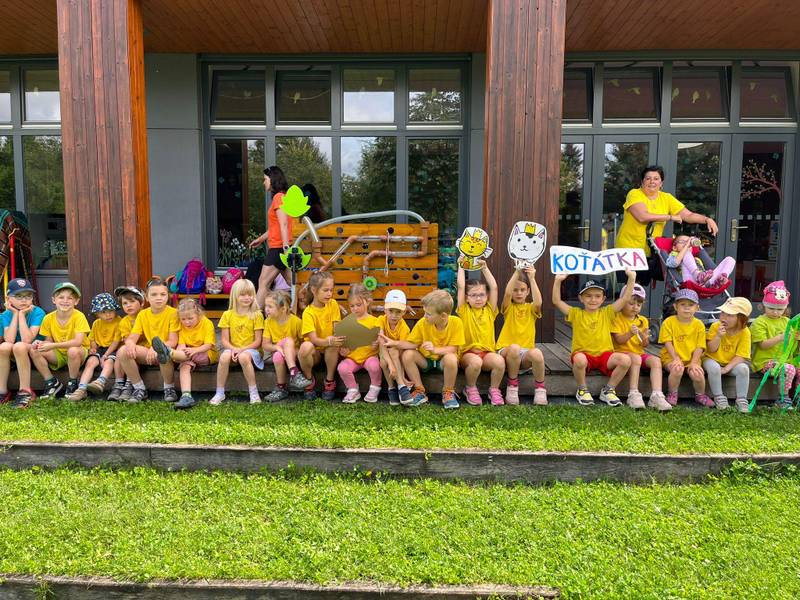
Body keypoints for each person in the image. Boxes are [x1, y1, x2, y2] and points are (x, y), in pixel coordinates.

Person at [615, 165, 719, 283]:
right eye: (648, 178)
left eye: (656, 178)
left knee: (641, 288)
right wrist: (670, 217)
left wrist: (706, 219)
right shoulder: (634, 194)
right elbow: (642, 217)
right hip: (629, 248)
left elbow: (688, 215)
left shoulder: (666, 198)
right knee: (629, 286)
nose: (652, 181)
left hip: (650, 249)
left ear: (661, 183)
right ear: (642, 182)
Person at [553, 271, 635, 406]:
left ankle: (609, 390)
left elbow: (625, 299)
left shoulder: (607, 312)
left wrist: (631, 277)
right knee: (579, 360)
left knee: (625, 360)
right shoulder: (576, 313)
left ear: (603, 299)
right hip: (584, 355)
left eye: (597, 296)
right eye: (588, 296)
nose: (593, 300)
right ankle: (582, 390)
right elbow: (556, 301)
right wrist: (558, 281)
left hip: (604, 356)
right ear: (581, 298)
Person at [118, 277, 180, 403]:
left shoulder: (173, 313)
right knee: (123, 351)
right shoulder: (143, 314)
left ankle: (169, 388)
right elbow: (133, 336)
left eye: (163, 294)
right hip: (149, 353)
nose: (159, 298)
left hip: (170, 353)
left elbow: (173, 341)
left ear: (168, 296)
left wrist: (156, 348)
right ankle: (139, 388)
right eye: (154, 294)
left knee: (163, 352)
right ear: (147, 297)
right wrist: (130, 343)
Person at [400, 289, 465, 409]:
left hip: (443, 362)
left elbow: (453, 349)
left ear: (443, 316)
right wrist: (393, 343)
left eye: (428, 314)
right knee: (407, 354)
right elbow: (412, 344)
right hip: (426, 361)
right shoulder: (422, 322)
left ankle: (448, 392)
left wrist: (435, 350)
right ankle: (419, 391)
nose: (425, 316)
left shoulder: (456, 323)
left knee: (451, 358)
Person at [610, 283, 670, 411]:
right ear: (622, 302)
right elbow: (619, 341)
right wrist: (630, 333)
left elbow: (644, 345)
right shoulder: (616, 318)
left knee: (656, 361)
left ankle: (657, 395)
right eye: (631, 303)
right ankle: (633, 393)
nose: (635, 307)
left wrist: (644, 338)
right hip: (622, 353)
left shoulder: (643, 320)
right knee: (636, 358)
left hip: (638, 353)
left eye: (639, 304)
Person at [153, 298, 218, 410]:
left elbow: (208, 345)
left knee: (186, 355)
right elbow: (182, 344)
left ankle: (168, 352)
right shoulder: (182, 326)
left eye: (190, 318)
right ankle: (186, 396)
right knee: (184, 367)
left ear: (198, 314)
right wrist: (179, 353)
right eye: (183, 319)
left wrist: (194, 350)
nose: (187, 322)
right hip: (188, 353)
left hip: (205, 353)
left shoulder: (207, 323)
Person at [456, 262, 506, 406]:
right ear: (467, 298)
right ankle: (470, 388)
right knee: (476, 362)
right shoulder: (464, 310)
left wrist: (484, 267)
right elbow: (461, 286)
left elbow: (494, 287)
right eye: (473, 295)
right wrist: (461, 265)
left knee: (499, 361)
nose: (478, 298)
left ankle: (494, 390)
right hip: (468, 354)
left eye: (482, 295)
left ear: (487, 296)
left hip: (487, 353)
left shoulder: (490, 310)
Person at [30, 282, 90, 399]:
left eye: (70, 298)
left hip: (78, 352)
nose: (65, 301)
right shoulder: (48, 318)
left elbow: (78, 342)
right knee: (34, 350)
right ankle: (51, 382)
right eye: (61, 297)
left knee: (73, 350)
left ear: (76, 301)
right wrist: (40, 343)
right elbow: (48, 341)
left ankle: (73, 382)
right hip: (59, 353)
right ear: (54, 300)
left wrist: (53, 345)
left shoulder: (79, 316)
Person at [211, 279, 266, 406]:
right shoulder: (227, 315)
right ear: (234, 296)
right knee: (224, 356)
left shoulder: (257, 315)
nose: (247, 298)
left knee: (243, 357)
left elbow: (258, 341)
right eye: (242, 295)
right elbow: (224, 340)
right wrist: (233, 349)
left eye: (250, 294)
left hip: (252, 351)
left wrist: (241, 350)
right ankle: (220, 392)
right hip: (233, 349)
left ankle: (253, 392)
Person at [497, 267, 546, 406]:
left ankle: (540, 389)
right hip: (506, 352)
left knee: (537, 353)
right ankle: (512, 386)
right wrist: (517, 272)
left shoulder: (531, 308)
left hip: (524, 355)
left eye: (522, 290)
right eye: (516, 290)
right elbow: (507, 293)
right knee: (514, 348)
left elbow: (538, 302)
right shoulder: (508, 308)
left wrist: (532, 278)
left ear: (528, 291)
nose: (519, 293)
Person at [658, 289, 712, 408]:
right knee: (677, 369)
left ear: (697, 308)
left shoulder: (699, 325)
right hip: (671, 357)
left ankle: (700, 395)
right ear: (675, 307)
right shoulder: (668, 322)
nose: (687, 308)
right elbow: (667, 342)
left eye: (691, 305)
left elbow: (700, 346)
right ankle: (672, 393)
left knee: (697, 373)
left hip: (692, 358)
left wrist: (694, 362)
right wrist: (676, 358)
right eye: (682, 304)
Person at [249, 165, 292, 309]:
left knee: (263, 283)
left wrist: (285, 248)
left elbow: (284, 224)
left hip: (278, 248)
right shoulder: (283, 197)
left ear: (273, 179)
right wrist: (261, 239)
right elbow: (276, 226)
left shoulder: (279, 197)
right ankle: (307, 311)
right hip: (281, 247)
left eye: (265, 179)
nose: (264, 182)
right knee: (293, 283)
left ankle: (254, 317)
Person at [65, 293, 121, 401]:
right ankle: (81, 389)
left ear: (115, 310)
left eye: (110, 311)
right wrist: (93, 348)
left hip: (113, 349)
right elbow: (92, 339)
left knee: (109, 362)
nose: (108, 314)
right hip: (100, 349)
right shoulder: (96, 323)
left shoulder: (119, 321)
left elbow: (116, 342)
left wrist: (105, 355)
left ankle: (100, 381)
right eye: (103, 312)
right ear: (97, 314)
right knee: (91, 362)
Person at [750, 281, 797, 409]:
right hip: (765, 362)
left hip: (785, 360)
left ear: (785, 309)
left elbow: (792, 344)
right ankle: (783, 398)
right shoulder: (759, 322)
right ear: (763, 306)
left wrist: (796, 338)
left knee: (794, 367)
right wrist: (781, 337)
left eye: (780, 309)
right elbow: (763, 345)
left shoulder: (787, 322)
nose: (776, 312)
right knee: (788, 369)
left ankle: (797, 396)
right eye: (771, 308)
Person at [298, 271, 344, 401]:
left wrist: (335, 340)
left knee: (334, 343)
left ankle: (329, 381)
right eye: (325, 290)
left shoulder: (333, 304)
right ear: (314, 290)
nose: (329, 294)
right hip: (315, 353)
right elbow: (313, 340)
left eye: (331, 290)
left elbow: (337, 329)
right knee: (305, 347)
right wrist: (328, 341)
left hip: (331, 351)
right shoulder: (308, 312)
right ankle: (308, 380)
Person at [0, 278, 46, 408]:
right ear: (8, 299)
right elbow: (9, 340)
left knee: (19, 346)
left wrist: (21, 315)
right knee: (4, 346)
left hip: (35, 353)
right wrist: (15, 313)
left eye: (28, 296)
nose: (24, 300)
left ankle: (25, 391)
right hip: (16, 354)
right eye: (18, 296)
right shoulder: (5, 315)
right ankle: (2, 391)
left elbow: (27, 340)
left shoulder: (38, 312)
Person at [703, 297, 752, 413]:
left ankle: (741, 399)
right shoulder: (716, 327)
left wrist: (726, 368)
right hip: (712, 358)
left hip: (731, 362)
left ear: (741, 318)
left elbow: (741, 356)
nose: (723, 317)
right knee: (714, 368)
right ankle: (719, 397)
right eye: (723, 313)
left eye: (729, 315)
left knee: (744, 369)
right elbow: (711, 349)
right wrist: (718, 336)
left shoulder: (745, 332)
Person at [337, 284, 382, 404]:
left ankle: (375, 387)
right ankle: (353, 389)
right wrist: (342, 350)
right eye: (352, 306)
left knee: (374, 366)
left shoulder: (375, 321)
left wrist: (377, 344)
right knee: (342, 368)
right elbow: (343, 341)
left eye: (358, 305)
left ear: (368, 301)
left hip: (369, 356)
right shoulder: (347, 322)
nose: (355, 309)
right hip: (352, 358)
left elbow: (379, 339)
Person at [263, 289, 311, 402]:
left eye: (270, 306)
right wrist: (277, 347)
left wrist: (294, 351)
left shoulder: (296, 322)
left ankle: (286, 382)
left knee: (285, 346)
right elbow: (265, 345)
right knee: (280, 351)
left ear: (283, 309)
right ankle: (290, 378)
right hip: (278, 352)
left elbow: (304, 342)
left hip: (294, 353)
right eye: (266, 306)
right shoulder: (268, 322)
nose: (266, 309)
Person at [109, 286, 145, 401]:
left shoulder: (146, 316)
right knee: (121, 354)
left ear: (142, 302)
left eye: (132, 301)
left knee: (128, 353)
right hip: (131, 348)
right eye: (125, 303)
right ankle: (119, 383)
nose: (128, 305)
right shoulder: (123, 322)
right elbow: (127, 340)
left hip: (145, 349)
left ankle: (130, 383)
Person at [377, 289, 412, 406]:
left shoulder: (404, 328)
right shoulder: (380, 320)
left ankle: (399, 386)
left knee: (393, 351)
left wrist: (400, 372)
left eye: (398, 312)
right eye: (390, 311)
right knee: (383, 362)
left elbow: (401, 351)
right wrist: (391, 365)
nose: (394, 315)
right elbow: (381, 343)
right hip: (384, 352)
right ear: (385, 309)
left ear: (404, 312)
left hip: (398, 355)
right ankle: (395, 387)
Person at [666, 235, 735, 287]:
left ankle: (720, 279)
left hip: (706, 282)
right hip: (690, 283)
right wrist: (686, 246)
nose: (687, 244)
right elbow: (674, 264)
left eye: (689, 242)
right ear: (674, 248)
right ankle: (698, 275)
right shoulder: (674, 255)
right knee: (686, 253)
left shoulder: (695, 258)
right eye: (683, 242)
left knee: (730, 259)